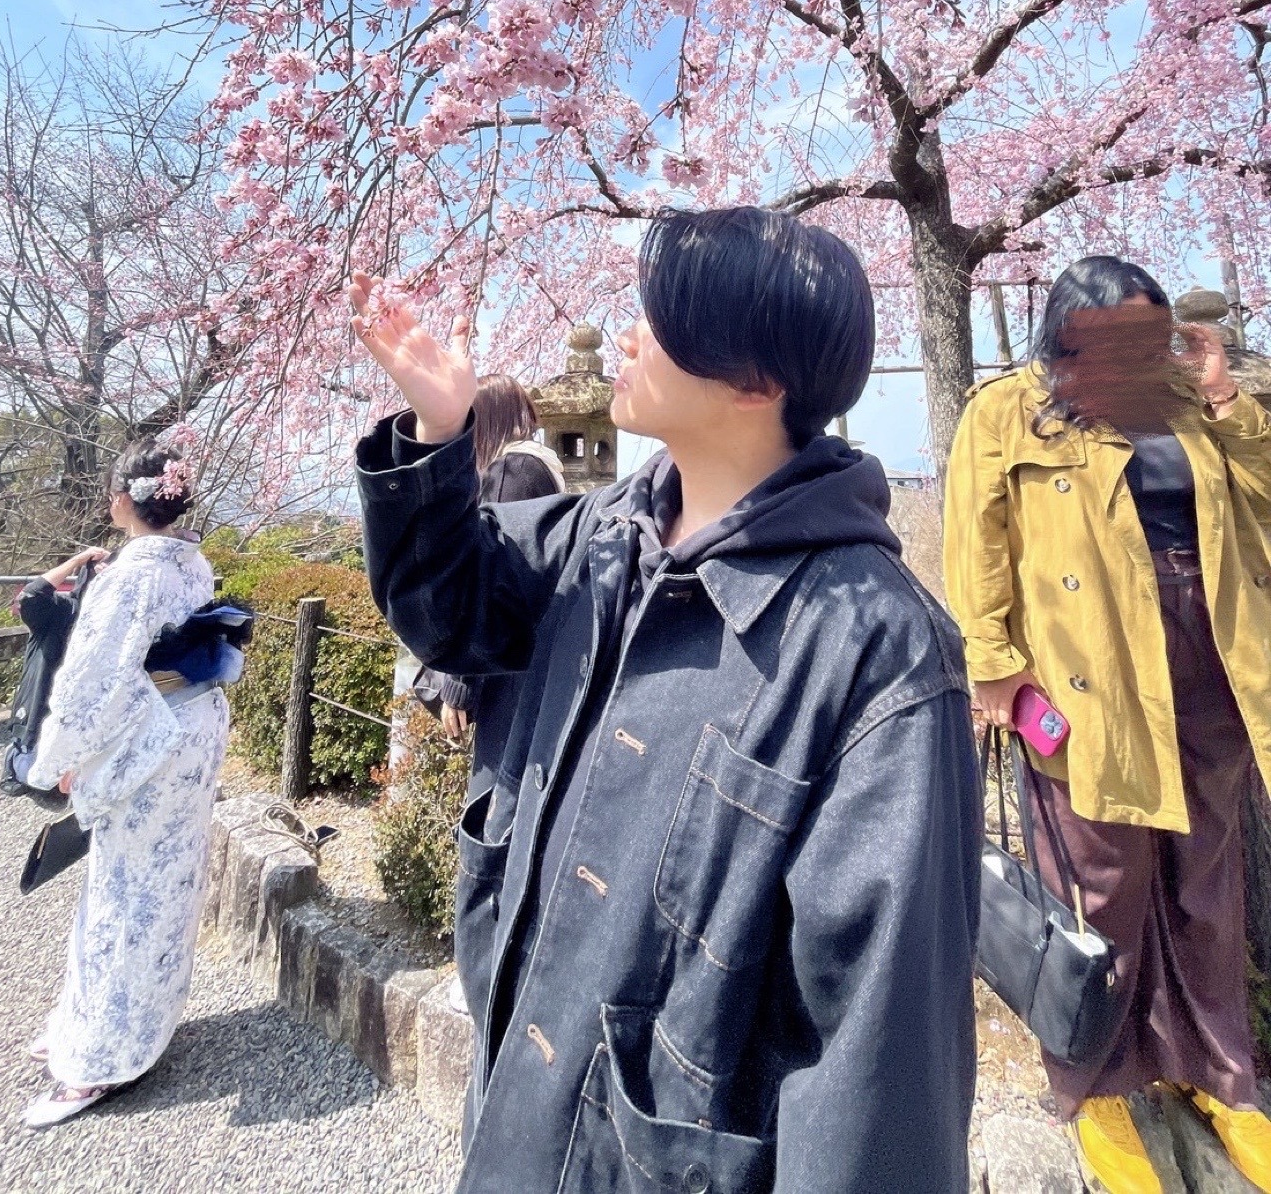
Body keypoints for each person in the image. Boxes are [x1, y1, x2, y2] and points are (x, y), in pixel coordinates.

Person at [351, 206, 981, 1194]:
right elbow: (451, 613)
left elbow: (878, 1046)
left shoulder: (876, 646)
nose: (630, 331)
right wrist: (438, 430)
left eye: (662, 316)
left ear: (755, 383)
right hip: (518, 1114)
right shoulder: (599, 536)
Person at [944, 256, 1271, 1194]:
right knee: (1099, 879)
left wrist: (1225, 401)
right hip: (1088, 665)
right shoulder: (1010, 408)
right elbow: (977, 540)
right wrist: (993, 663)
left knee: (1206, 874)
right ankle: (1096, 1087)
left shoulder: (1192, 404)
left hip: (1212, 652)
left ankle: (1222, 1077)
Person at [20, 438, 231, 1131]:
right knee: (165, 885)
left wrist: (55, 761)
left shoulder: (131, 576)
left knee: (126, 892)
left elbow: (93, 681)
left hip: (153, 744)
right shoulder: (189, 560)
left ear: (122, 501)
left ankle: (101, 1056)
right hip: (193, 729)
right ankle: (116, 1023)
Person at [392, 375, 565, 794]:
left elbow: (492, 577)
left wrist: (460, 682)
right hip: (530, 655)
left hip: (503, 668)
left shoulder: (511, 472)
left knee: (495, 791)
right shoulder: (540, 468)